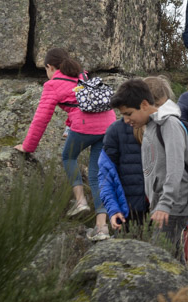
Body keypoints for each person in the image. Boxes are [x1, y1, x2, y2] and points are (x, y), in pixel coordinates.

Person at [15, 48, 115, 242]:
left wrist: (28, 146)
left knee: (68, 156)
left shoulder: (53, 84)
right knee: (96, 175)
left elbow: (41, 119)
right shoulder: (82, 76)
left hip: (87, 127)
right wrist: (69, 126)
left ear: (50, 67)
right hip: (108, 125)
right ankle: (102, 228)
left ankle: (80, 201)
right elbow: (80, 105)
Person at [110, 78, 188, 262]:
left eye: (128, 114)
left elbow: (176, 167)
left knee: (158, 258)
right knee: (171, 257)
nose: (126, 120)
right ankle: (187, 290)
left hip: (174, 205)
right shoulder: (150, 125)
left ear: (144, 104)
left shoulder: (169, 125)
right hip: (164, 204)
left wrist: (165, 203)